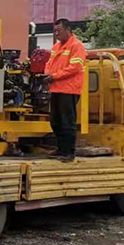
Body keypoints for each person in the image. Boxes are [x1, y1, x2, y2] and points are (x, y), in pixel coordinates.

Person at [44, 18, 86, 161]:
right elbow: (49, 64)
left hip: (69, 90)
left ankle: (69, 152)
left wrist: (53, 76)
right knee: (55, 121)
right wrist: (46, 75)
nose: (56, 34)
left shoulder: (76, 46)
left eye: (59, 31)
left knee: (67, 122)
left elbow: (75, 68)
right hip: (55, 89)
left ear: (68, 30)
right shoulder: (56, 47)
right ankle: (61, 149)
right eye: (54, 31)